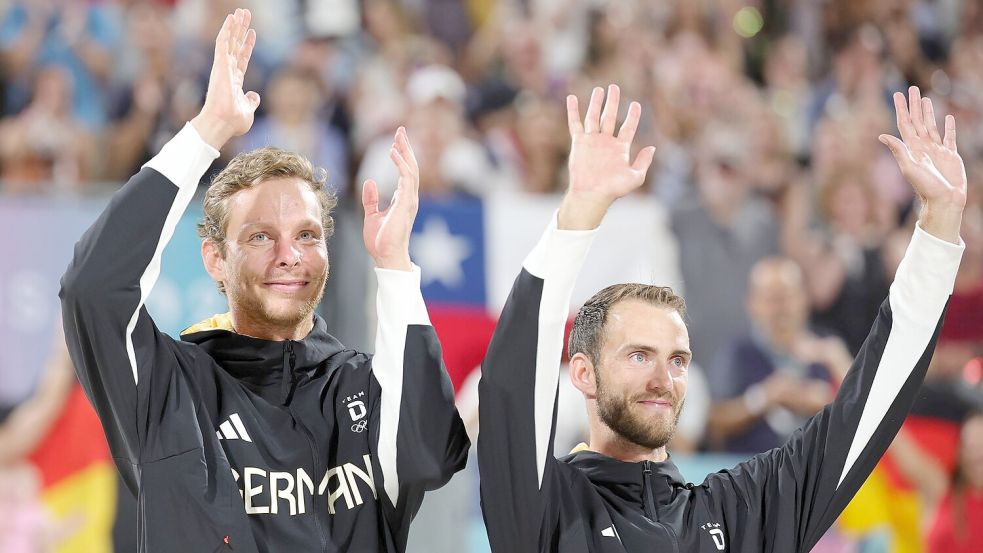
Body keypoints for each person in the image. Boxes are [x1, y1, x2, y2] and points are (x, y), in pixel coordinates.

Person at [477, 83, 966, 552]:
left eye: (678, 360)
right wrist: (578, 213)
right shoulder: (543, 503)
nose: (662, 378)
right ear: (583, 372)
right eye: (639, 355)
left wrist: (940, 225)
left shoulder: (738, 511)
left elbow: (866, 409)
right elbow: (512, 381)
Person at [60, 9, 468, 553]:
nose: (287, 256)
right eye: (258, 237)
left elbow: (431, 449)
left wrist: (395, 267)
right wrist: (207, 133)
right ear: (214, 260)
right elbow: (92, 289)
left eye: (306, 235)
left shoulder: (361, 392)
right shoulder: (168, 387)